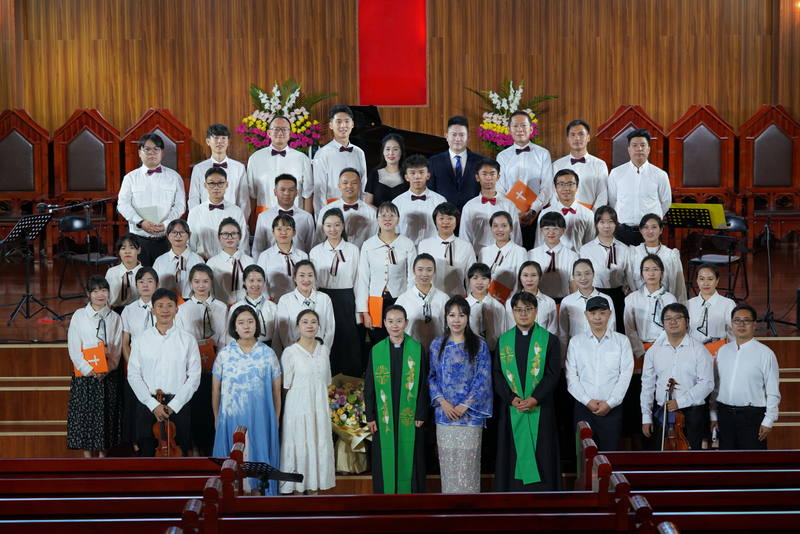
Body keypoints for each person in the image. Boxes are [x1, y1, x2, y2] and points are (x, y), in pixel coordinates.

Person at [494, 291, 562, 491]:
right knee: (512, 453)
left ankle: (543, 496)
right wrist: (511, 399)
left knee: (542, 453)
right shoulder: (503, 341)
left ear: (536, 311)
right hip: (512, 408)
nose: (523, 314)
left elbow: (553, 375)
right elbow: (497, 374)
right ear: (512, 312)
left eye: (528, 309)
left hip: (541, 408)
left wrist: (535, 398)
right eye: (518, 310)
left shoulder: (550, 340)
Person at [212, 305, 281, 494]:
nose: (246, 326)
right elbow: (215, 390)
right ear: (234, 327)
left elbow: (276, 390)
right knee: (233, 468)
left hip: (260, 418)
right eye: (241, 322)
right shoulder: (225, 355)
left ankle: (261, 500)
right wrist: (217, 417)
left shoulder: (268, 353)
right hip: (231, 418)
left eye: (250, 321)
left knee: (259, 464)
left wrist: (275, 418)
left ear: (256, 325)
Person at [428, 296, 493, 493]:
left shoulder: (479, 345)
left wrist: (465, 405)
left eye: (461, 315)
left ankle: (471, 509)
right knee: (448, 468)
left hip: (470, 417)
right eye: (452, 315)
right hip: (445, 416)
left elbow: (483, 378)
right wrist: (443, 403)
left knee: (468, 469)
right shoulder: (436, 345)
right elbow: (431, 377)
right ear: (446, 318)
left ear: (468, 317)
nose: (456, 320)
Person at [128, 288, 201, 456]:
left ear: (176, 309)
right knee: (146, 455)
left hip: (178, 406)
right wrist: (153, 405)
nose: (165, 310)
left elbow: (194, 378)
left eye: (169, 305)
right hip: (147, 406)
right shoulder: (141, 340)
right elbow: (133, 375)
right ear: (153, 310)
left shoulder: (188, 340)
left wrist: (173, 406)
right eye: (160, 306)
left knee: (179, 455)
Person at [365, 305, 430, 494]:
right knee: (384, 456)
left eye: (399, 321)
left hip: (409, 416)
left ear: (406, 323)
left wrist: (421, 413)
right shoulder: (376, 351)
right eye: (390, 321)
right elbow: (369, 386)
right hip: (383, 415)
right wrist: (370, 416)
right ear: (384, 323)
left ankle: (412, 502)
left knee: (411, 455)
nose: (395, 325)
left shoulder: (417, 350)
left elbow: (423, 384)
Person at [641, 303, 714, 451]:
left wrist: (679, 402)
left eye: (677, 318)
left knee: (691, 457)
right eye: (668, 318)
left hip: (691, 413)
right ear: (663, 323)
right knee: (663, 457)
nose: (672, 322)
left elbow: (707, 384)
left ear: (687, 322)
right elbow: (647, 385)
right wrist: (646, 417)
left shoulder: (699, 350)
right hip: (662, 412)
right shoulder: (654, 350)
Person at [174, 264, 229, 455]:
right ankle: (196, 448)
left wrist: (216, 362)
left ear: (211, 282)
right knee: (195, 406)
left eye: (205, 281)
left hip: (216, 360)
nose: (201, 285)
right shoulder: (182, 309)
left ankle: (215, 447)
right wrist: (196, 363)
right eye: (196, 281)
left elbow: (224, 338)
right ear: (190, 283)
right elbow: (180, 339)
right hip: (192, 361)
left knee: (214, 404)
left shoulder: (221, 307)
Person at [566, 297, 633, 451]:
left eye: (602, 313)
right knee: (583, 456)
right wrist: (587, 401)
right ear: (586, 315)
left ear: (610, 314)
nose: (597, 317)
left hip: (611, 409)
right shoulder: (576, 342)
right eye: (593, 313)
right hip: (583, 408)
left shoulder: (622, 341)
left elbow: (625, 375)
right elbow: (571, 376)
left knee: (609, 457)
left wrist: (610, 402)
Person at [622, 254, 677, 444]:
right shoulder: (632, 298)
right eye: (646, 270)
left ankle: (660, 437)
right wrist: (641, 351)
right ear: (641, 274)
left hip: (663, 348)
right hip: (639, 350)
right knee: (639, 390)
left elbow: (671, 326)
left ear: (662, 272)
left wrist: (656, 350)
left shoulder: (670, 298)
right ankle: (638, 439)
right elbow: (629, 328)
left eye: (655, 269)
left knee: (660, 390)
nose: (651, 273)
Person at [279, 309, 335, 495]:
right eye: (305, 322)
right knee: (299, 447)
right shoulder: (290, 353)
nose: (309, 325)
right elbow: (285, 386)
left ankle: (314, 494)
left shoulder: (324, 350)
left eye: (313, 322)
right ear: (297, 327)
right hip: (298, 409)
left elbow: (326, 381)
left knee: (317, 445)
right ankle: (297, 494)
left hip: (319, 408)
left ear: (319, 326)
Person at [710, 304, 781, 450]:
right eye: (737, 320)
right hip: (725, 416)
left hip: (751, 418)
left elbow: (773, 391)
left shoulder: (765, 354)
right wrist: (713, 415)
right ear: (731, 324)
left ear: (754, 324)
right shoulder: (723, 351)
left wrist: (768, 420)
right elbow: (716, 385)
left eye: (746, 320)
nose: (741, 324)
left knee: (752, 461)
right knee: (727, 461)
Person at [67, 275, 123, 457]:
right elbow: (74, 347)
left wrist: (108, 368)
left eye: (104, 290)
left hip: (107, 376)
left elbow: (117, 348)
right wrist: (88, 370)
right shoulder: (79, 315)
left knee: (105, 418)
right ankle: (88, 461)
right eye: (96, 291)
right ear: (88, 293)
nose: (100, 295)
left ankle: (102, 459)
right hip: (85, 377)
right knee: (86, 420)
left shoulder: (115, 318)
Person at [117, 133, 186, 266]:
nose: (151, 153)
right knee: (141, 276)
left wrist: (166, 224)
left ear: (162, 153)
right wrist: (140, 222)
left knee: (165, 276)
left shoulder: (174, 177)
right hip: (139, 239)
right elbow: (123, 204)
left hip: (166, 238)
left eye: (156, 149)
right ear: (139, 152)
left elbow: (180, 205)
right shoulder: (130, 178)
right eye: (147, 149)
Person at [309, 208, 362, 376]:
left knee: (347, 339)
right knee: (326, 337)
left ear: (343, 226)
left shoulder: (353, 250)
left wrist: (359, 311)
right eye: (328, 225)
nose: (333, 229)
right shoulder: (315, 251)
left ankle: (350, 382)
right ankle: (327, 379)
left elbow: (358, 281)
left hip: (346, 299)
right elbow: (312, 283)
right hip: (323, 298)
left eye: (337, 225)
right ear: (323, 227)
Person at [356, 202, 417, 347]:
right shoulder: (368, 245)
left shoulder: (407, 244)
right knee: (378, 343)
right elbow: (363, 280)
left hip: (400, 298)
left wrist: (410, 305)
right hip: (375, 301)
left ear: (398, 219)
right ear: (377, 220)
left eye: (391, 215)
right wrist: (364, 312)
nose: (387, 218)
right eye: (383, 215)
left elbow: (412, 278)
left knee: (400, 342)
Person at [497, 111, 554, 250]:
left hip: (536, 215)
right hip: (510, 217)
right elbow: (500, 189)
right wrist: (513, 213)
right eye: (515, 125)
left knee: (534, 253)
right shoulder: (502, 156)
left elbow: (547, 186)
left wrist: (532, 211)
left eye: (524, 125)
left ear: (531, 129)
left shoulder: (543, 154)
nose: (520, 129)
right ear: (509, 129)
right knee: (511, 253)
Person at [607, 129, 671, 247]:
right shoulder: (616, 173)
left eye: (643, 145)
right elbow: (613, 200)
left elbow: (666, 201)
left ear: (649, 149)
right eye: (635, 145)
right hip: (623, 231)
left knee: (650, 259)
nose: (639, 149)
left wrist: (652, 222)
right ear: (629, 149)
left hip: (650, 232)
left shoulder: (660, 174)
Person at [120, 268, 159, 449]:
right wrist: (134, 367)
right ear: (136, 285)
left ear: (157, 285)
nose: (145, 285)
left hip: (159, 367)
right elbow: (124, 342)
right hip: (136, 366)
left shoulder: (163, 308)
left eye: (150, 281)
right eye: (141, 281)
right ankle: (138, 447)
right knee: (137, 408)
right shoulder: (129, 310)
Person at [580, 206, 634, 333]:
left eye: (610, 221)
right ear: (596, 224)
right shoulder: (586, 249)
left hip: (618, 296)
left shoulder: (625, 249)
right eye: (602, 222)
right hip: (595, 296)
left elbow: (629, 278)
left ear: (616, 224)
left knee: (618, 331)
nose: (606, 226)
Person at [247, 115, 313, 215]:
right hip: (265, 216)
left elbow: (308, 194)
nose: (280, 133)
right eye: (276, 129)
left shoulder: (302, 158)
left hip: (294, 216)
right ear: (269, 133)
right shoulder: (255, 158)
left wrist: (306, 220)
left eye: (284, 129)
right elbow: (251, 195)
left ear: (290, 133)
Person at [460, 158, 522, 256]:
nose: (488, 178)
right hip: (477, 256)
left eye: (492, 174)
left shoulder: (509, 205)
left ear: (498, 177)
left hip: (504, 256)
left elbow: (516, 235)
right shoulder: (469, 206)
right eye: (484, 174)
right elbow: (464, 237)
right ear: (477, 177)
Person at [312, 104, 368, 215]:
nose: (343, 125)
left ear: (352, 124)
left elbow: (363, 187)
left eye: (347, 121)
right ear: (331, 125)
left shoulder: (359, 153)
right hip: (333, 213)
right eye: (338, 122)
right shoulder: (322, 154)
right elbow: (319, 193)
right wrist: (322, 219)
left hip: (357, 212)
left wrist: (363, 211)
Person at [274, 260, 335, 357]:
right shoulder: (285, 300)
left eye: (310, 275)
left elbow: (330, 329)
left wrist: (324, 351)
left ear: (314, 277)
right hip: (295, 354)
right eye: (302, 275)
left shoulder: (324, 298)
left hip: (321, 353)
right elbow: (284, 333)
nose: (306, 280)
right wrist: (294, 352)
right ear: (294, 277)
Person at [188, 123, 250, 218]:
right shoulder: (198, 168)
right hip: (206, 217)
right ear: (208, 141)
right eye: (216, 138)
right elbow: (194, 198)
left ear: (228, 142)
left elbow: (244, 200)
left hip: (232, 218)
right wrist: (197, 219)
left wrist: (240, 221)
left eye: (223, 138)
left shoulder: (239, 168)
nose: (220, 141)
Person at [187, 167, 250, 259]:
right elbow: (190, 245)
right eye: (212, 183)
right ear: (205, 185)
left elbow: (243, 245)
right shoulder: (195, 212)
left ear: (226, 184)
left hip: (230, 262)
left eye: (220, 183)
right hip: (202, 263)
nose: (216, 187)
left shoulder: (237, 212)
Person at [558, 259, 617, 355]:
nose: (583, 278)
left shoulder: (606, 299)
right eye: (578, 274)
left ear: (593, 274)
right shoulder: (567, 301)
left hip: (601, 350)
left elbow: (611, 329)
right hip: (576, 351)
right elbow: (563, 334)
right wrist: (563, 358)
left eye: (587, 273)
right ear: (573, 276)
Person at [417, 202, 476, 296]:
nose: (445, 222)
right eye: (441, 218)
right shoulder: (423, 245)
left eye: (450, 218)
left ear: (457, 221)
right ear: (435, 221)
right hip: (431, 297)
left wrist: (470, 300)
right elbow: (417, 276)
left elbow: (472, 279)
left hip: (458, 298)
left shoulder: (466, 246)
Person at [427, 115, 482, 211]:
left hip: (473, 213)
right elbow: (430, 191)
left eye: (462, 135)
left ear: (468, 137)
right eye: (453, 135)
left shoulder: (480, 161)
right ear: (446, 136)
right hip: (444, 214)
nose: (457, 139)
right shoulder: (434, 161)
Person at [252, 174, 315, 258]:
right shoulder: (264, 217)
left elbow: (311, 247)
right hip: (271, 263)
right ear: (275, 192)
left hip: (299, 263)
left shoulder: (306, 217)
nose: (286, 193)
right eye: (282, 190)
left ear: (296, 192)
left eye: (291, 190)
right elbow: (258, 248)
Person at [552, 119, 609, 211]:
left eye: (581, 134)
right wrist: (559, 214)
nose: (577, 138)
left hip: (591, 215)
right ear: (567, 139)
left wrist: (592, 216)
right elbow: (552, 194)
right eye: (572, 135)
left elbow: (602, 195)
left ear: (588, 138)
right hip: (562, 215)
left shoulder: (600, 165)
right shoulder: (556, 165)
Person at [629, 213, 687, 303]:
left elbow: (679, 287)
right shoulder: (633, 253)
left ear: (661, 230)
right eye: (646, 227)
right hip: (639, 303)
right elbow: (628, 283)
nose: (650, 231)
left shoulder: (670, 255)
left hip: (665, 303)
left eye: (654, 227)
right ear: (640, 230)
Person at [395, 253, 448, 349]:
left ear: (434, 272)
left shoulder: (444, 298)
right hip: (411, 349)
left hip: (438, 349)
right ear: (413, 271)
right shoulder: (403, 300)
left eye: (429, 270)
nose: (424, 274)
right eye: (420, 270)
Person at [315, 168, 378, 249]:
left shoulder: (371, 213)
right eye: (345, 183)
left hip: (363, 255)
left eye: (354, 183)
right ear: (339, 186)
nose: (349, 186)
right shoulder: (326, 210)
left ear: (360, 186)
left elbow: (375, 240)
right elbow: (319, 241)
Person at [534, 169, 595, 253]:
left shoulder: (588, 214)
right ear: (555, 187)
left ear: (577, 187)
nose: (566, 188)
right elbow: (539, 244)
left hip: (578, 259)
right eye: (561, 184)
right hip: (551, 259)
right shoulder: (545, 213)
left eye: (570, 184)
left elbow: (590, 245)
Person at [394, 155, 447, 245]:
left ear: (428, 175)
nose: (417, 177)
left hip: (433, 248)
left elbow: (445, 229)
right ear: (406, 177)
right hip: (405, 249)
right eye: (412, 173)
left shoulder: (440, 201)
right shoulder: (397, 202)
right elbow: (394, 231)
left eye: (421, 172)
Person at [478, 211, 528, 307]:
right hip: (486, 302)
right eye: (495, 226)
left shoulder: (520, 251)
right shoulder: (484, 251)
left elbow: (521, 282)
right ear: (490, 228)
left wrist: (511, 302)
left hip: (510, 303)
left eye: (504, 226)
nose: (499, 230)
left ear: (511, 228)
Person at [256, 214, 309, 302]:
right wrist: (267, 301)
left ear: (294, 232)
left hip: (297, 300)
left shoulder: (303, 256)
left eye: (288, 229)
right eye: (279, 229)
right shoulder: (265, 256)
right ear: (273, 233)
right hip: (273, 300)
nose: (283, 233)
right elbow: (261, 281)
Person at [528, 211, 579, 301]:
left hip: (563, 301)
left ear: (563, 230)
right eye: (547, 228)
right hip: (539, 301)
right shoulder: (531, 254)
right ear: (541, 230)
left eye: (555, 228)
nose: (551, 232)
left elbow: (573, 286)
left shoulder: (572, 256)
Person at [206, 218, 255, 306]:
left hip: (246, 308)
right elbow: (210, 292)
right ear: (219, 237)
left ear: (240, 236)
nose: (230, 237)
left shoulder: (249, 261)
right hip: (221, 307)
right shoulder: (212, 263)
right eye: (225, 234)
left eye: (234, 233)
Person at [686, 263, 735, 347]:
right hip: (693, 349)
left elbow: (732, 333)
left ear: (717, 280)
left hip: (718, 350)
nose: (706, 283)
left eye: (710, 279)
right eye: (702, 279)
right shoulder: (688, 304)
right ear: (697, 281)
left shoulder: (728, 304)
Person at [153, 220, 203, 300]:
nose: (178, 236)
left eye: (182, 232)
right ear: (167, 235)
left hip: (191, 302)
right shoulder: (159, 261)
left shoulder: (197, 260)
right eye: (174, 232)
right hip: (165, 302)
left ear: (189, 235)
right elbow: (154, 286)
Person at [504, 261, 558, 336]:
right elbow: (510, 329)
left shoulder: (549, 303)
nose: (529, 279)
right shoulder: (510, 302)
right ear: (520, 277)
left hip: (542, 341)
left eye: (533, 275)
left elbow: (552, 331)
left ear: (540, 277)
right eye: (525, 275)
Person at [229, 265, 277, 346]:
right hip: (243, 347)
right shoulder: (235, 308)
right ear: (244, 281)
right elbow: (231, 335)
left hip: (269, 347)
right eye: (251, 280)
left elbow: (277, 335)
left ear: (264, 281)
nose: (255, 284)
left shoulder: (273, 307)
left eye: (259, 280)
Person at [465, 263, 506, 352]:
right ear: (468, 281)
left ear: (490, 281)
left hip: (493, 351)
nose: (479, 282)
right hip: (470, 351)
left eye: (484, 278)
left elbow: (502, 332)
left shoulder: (498, 306)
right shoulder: (463, 306)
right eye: (475, 278)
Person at [365, 133, 409, 208]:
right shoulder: (375, 174)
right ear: (383, 151)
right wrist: (381, 214)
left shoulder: (408, 175)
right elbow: (368, 203)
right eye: (388, 149)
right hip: (377, 215)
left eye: (395, 149)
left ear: (401, 151)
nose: (391, 153)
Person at [106, 233, 143, 310]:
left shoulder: (145, 273)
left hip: (138, 311)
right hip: (114, 311)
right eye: (123, 248)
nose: (127, 251)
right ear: (119, 252)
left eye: (132, 248)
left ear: (139, 250)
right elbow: (106, 297)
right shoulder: (111, 272)